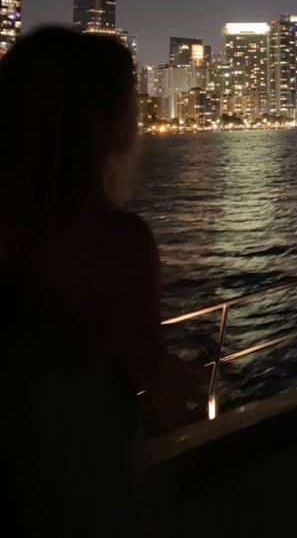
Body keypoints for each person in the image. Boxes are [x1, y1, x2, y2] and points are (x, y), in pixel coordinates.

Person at [0, 26, 198, 535]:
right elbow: (161, 397)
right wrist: (186, 379)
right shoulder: (117, 241)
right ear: (104, 120)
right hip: (80, 490)